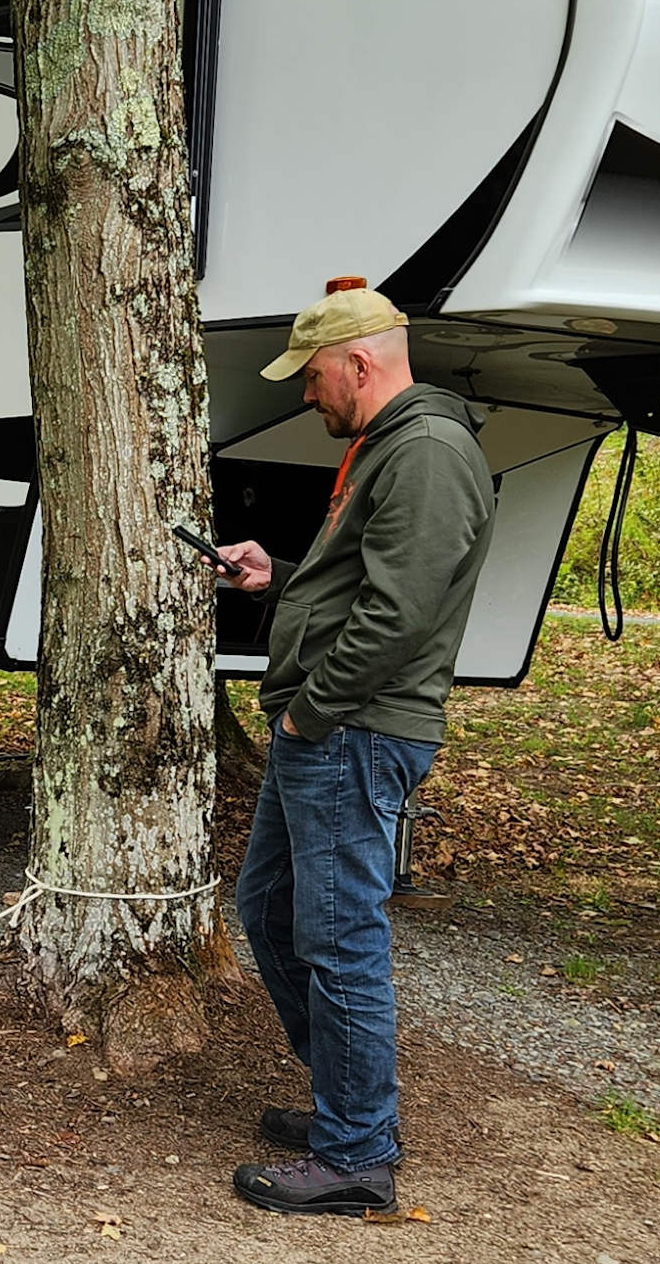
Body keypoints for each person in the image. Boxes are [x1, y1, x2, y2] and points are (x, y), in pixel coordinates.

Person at [209, 278, 494, 1216]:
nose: (306, 393)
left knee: (338, 942)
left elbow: (400, 614)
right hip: (332, 730)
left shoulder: (427, 453)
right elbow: (356, 585)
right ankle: (350, 1103)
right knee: (268, 909)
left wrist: (309, 714)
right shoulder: (388, 449)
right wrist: (275, 575)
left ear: (360, 362)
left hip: (353, 732)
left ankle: (357, 1154)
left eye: (314, 376)